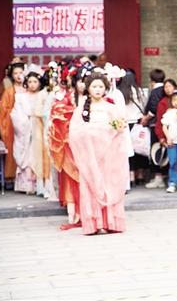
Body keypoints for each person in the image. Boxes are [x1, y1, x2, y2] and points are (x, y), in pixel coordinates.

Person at [69, 72, 129, 235]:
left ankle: (111, 222)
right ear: (88, 88)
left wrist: (109, 131)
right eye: (94, 86)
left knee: (109, 185)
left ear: (105, 88)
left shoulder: (111, 108)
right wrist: (91, 133)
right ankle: (94, 223)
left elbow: (120, 130)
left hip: (108, 156)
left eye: (100, 86)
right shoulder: (81, 109)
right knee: (92, 186)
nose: (97, 89)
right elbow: (74, 132)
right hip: (90, 157)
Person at [48, 60, 81, 230]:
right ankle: (73, 213)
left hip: (85, 142)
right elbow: (56, 115)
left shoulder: (92, 99)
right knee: (70, 177)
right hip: (68, 142)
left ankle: (86, 212)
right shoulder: (64, 97)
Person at [10, 70, 47, 194]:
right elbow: (15, 114)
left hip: (40, 128)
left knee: (39, 154)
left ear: (39, 83)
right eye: (30, 81)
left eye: (35, 81)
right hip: (26, 128)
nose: (32, 84)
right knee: (27, 156)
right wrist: (26, 123)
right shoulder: (20, 97)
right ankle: (27, 186)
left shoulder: (44, 95)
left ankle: (40, 185)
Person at [118, 69, 147, 185]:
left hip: (125, 124)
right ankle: (140, 175)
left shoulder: (120, 92)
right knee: (140, 149)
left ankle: (130, 176)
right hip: (138, 122)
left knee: (128, 151)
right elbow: (144, 105)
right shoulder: (139, 91)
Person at [0, 62, 26, 183]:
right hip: (13, 125)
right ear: (11, 75)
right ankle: (12, 176)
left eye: (21, 72)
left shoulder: (29, 88)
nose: (19, 75)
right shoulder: (9, 91)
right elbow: (3, 112)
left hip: (28, 123)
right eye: (15, 73)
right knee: (14, 149)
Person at [141, 69, 166, 188]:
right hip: (165, 125)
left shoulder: (155, 91)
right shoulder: (165, 89)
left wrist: (146, 118)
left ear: (151, 80)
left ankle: (158, 177)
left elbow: (153, 109)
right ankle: (164, 176)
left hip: (156, 125)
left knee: (155, 150)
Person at [161, 91, 177, 193]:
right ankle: (172, 183)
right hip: (172, 141)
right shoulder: (169, 113)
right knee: (173, 162)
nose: (176, 102)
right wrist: (168, 137)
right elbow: (164, 126)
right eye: (173, 100)